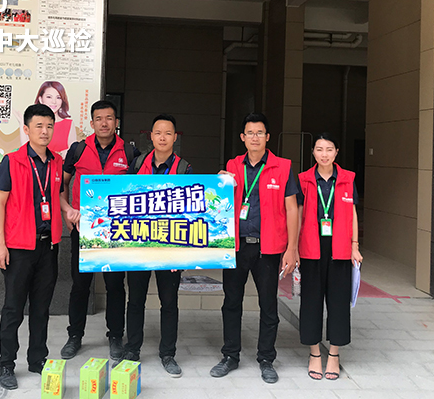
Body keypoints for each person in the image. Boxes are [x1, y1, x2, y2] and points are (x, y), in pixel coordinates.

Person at [210, 113, 299, 384]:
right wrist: (218, 182)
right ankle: (230, 355)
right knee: (231, 303)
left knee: (268, 306)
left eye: (260, 133)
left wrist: (292, 248)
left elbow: (292, 209)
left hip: (267, 250)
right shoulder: (232, 165)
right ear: (242, 137)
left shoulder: (283, 167)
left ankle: (266, 359)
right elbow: (219, 202)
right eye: (250, 133)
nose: (255, 137)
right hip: (236, 247)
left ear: (268, 137)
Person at [59, 100, 140, 361]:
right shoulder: (78, 150)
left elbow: (142, 187)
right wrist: (68, 210)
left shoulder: (129, 152)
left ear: (116, 122)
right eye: (99, 118)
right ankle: (75, 335)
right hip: (84, 228)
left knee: (115, 285)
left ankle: (115, 336)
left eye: (109, 118)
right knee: (80, 284)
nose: (104, 123)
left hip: (117, 231)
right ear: (92, 123)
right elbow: (62, 184)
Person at [0, 104, 64, 390]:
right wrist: (0, 245)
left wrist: (70, 211)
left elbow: (56, 196)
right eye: (39, 126)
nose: (45, 131)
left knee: (41, 308)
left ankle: (37, 359)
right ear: (26, 129)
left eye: (49, 126)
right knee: (13, 308)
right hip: (19, 248)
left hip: (49, 247)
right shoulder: (12, 161)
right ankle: (6, 364)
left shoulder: (56, 162)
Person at [122, 114, 192, 377]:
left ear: (175, 137)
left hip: (169, 247)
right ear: (150, 136)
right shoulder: (137, 163)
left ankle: (168, 353)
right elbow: (124, 198)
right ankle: (132, 350)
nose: (162, 137)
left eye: (168, 133)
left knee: (169, 302)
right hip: (139, 245)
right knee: (135, 300)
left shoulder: (184, 169)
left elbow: (190, 212)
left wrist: (181, 254)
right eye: (158, 132)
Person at [297, 133, 362, 381]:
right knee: (311, 302)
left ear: (336, 152)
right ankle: (314, 353)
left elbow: (352, 213)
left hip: (340, 249)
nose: (324, 154)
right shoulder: (304, 179)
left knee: (338, 302)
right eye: (319, 149)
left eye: (329, 149)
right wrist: (294, 248)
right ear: (313, 152)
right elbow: (298, 214)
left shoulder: (347, 179)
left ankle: (334, 355)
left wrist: (355, 245)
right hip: (311, 248)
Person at [17, 81, 77, 159]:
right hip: (35, 165)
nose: (54, 101)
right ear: (40, 99)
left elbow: (72, 152)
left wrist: (54, 156)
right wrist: (21, 122)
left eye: (58, 97)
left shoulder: (69, 124)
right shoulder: (32, 122)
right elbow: (26, 151)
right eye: (49, 97)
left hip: (61, 166)